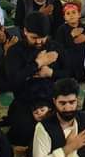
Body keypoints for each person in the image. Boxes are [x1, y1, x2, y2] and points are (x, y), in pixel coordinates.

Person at [4, 12, 66, 146]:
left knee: (64, 130)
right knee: (26, 132)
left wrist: (51, 73)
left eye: (42, 38)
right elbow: (13, 81)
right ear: (25, 31)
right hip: (25, 100)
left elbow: (71, 74)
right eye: (34, 38)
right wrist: (38, 63)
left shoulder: (55, 47)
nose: (39, 42)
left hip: (52, 99)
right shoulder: (15, 51)